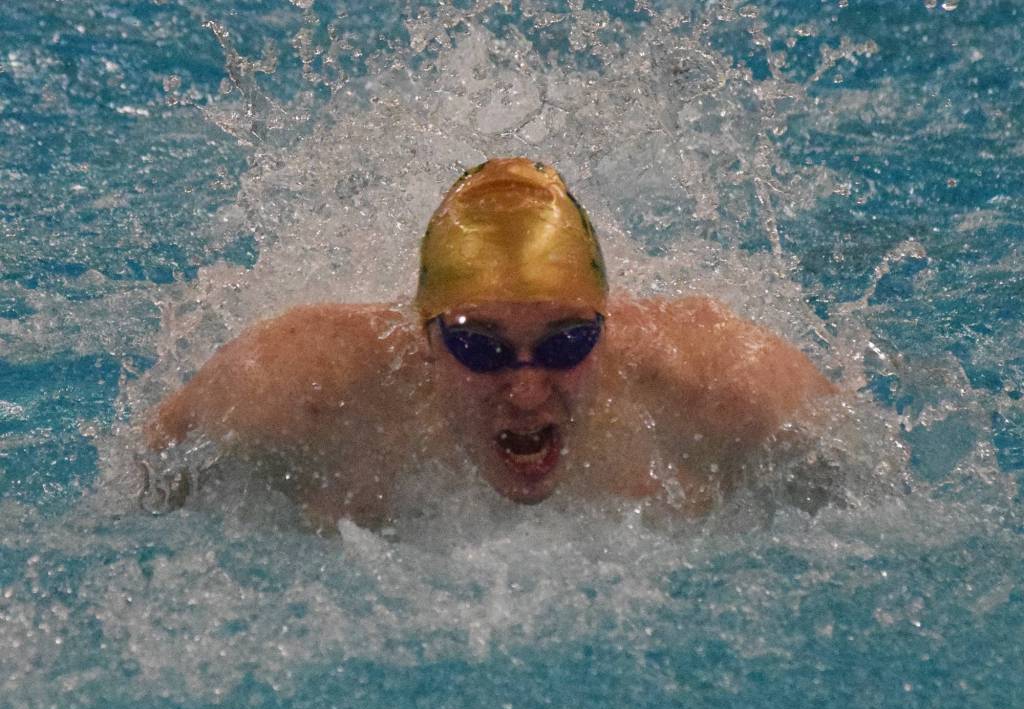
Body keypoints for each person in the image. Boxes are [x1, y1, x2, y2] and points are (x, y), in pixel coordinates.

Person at [143, 157, 835, 531]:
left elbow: (882, 494)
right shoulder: (295, 390)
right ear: (425, 338)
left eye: (567, 342)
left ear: (609, 325)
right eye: (482, 349)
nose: (528, 389)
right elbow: (148, 475)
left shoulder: (730, 386)